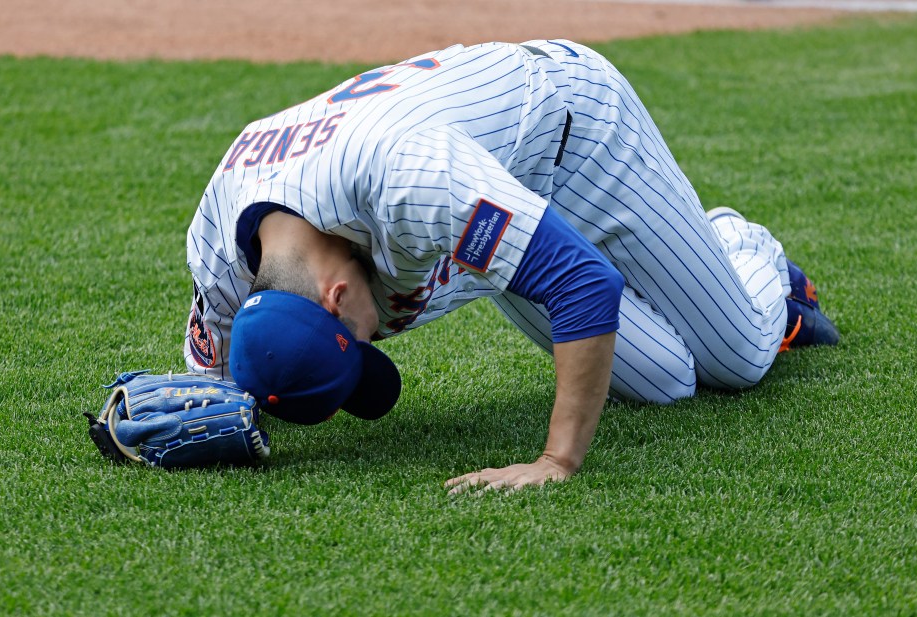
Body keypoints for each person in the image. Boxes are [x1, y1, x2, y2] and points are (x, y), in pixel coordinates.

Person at [182, 39, 839, 492]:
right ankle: (525, 247)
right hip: (481, 203)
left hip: (578, 139)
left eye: (357, 339)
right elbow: (216, 379)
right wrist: (202, 422)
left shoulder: (408, 179)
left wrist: (556, 460)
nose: (373, 342)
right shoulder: (220, 248)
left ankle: (743, 248)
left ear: (334, 294)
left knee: (741, 357)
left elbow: (583, 283)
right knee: (667, 380)